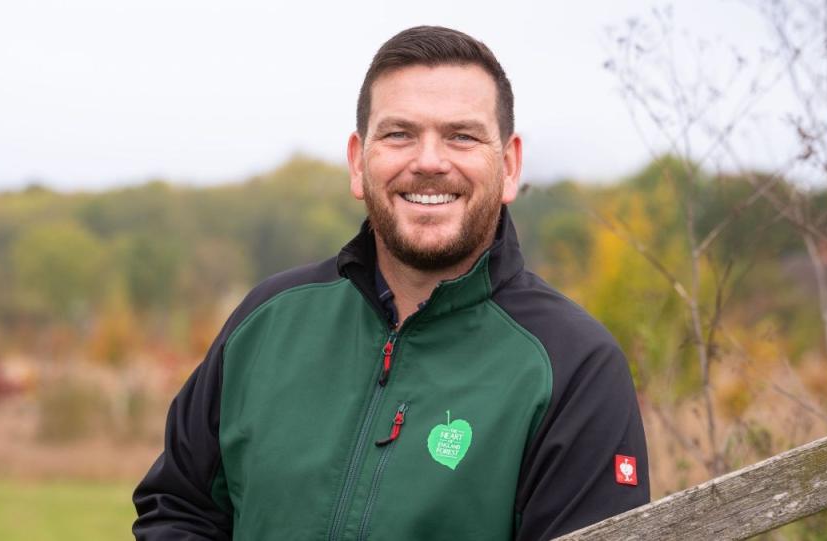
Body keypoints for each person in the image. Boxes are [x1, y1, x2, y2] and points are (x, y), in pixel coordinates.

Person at [132, 25, 649, 540]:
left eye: (461, 136)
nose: (428, 161)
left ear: (509, 166)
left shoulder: (573, 367)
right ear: (359, 162)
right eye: (399, 133)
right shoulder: (267, 321)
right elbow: (179, 508)